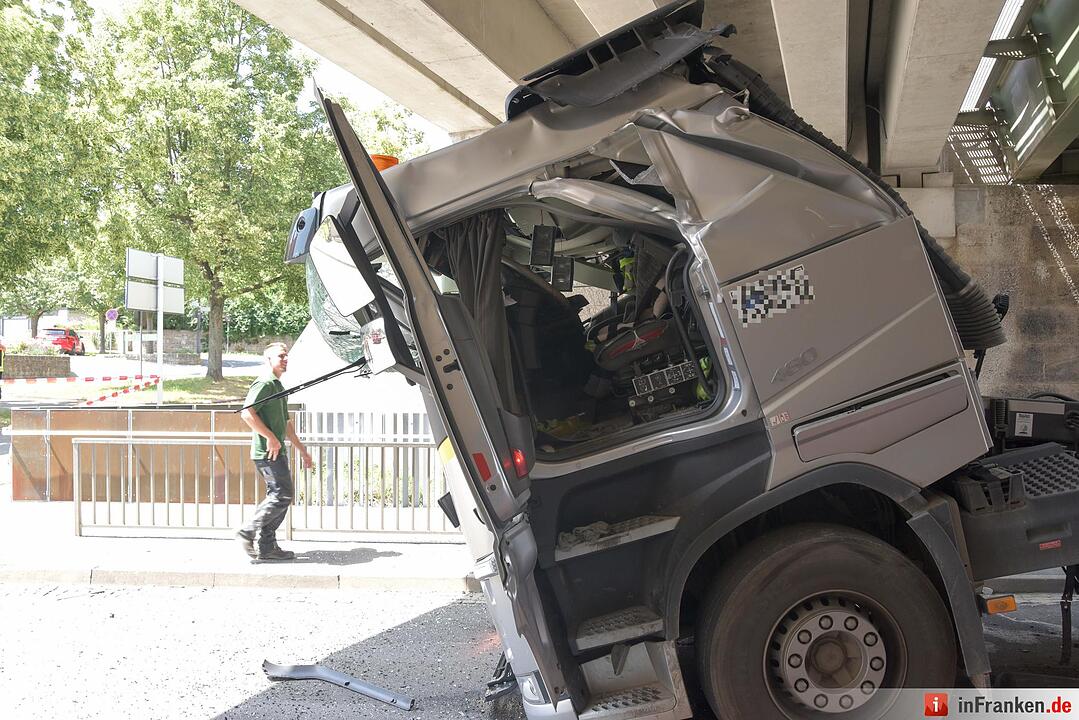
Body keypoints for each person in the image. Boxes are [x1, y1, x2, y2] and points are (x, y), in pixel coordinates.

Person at [236, 342, 312, 561]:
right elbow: (247, 414)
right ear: (268, 359)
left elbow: (286, 422)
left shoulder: (278, 386)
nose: (285, 359)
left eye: (287, 355)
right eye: (281, 356)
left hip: (276, 451)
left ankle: (267, 546)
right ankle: (248, 531)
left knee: (282, 495)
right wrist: (270, 438)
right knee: (281, 494)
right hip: (266, 453)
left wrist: (302, 450)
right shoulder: (264, 384)